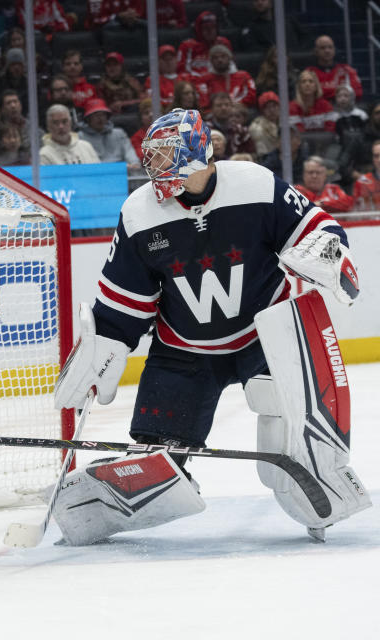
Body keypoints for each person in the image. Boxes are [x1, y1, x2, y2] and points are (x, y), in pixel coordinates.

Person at [52, 108, 366, 545]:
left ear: (199, 152)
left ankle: (314, 476)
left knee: (286, 420)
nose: (154, 168)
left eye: (165, 156)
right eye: (151, 156)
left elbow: (316, 226)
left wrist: (330, 251)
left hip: (264, 334)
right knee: (156, 455)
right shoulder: (139, 212)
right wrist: (104, 342)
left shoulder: (254, 184)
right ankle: (115, 502)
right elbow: (124, 300)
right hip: (184, 350)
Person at [77, 98, 139, 169]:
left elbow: (129, 151)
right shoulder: (80, 136)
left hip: (122, 171)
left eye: (103, 115)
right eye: (96, 115)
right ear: (88, 119)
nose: (100, 118)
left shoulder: (119, 133)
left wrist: (134, 163)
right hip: (95, 172)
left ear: (107, 116)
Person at [306, 35, 362, 101]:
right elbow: (307, 95)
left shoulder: (347, 70)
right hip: (318, 109)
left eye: (330, 47)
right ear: (316, 51)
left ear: (334, 50)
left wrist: (324, 94)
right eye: (322, 48)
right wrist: (339, 94)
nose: (327, 51)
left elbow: (358, 93)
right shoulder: (309, 72)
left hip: (342, 108)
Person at [178, 11, 232, 76]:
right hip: (195, 83)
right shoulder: (187, 46)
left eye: (213, 27)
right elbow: (182, 72)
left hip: (219, 81)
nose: (210, 31)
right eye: (206, 28)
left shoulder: (223, 43)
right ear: (199, 29)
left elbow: (230, 67)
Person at [249, 91, 281, 158]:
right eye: (268, 107)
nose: (272, 110)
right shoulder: (256, 127)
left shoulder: (285, 123)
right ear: (262, 110)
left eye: (274, 106)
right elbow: (262, 155)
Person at [353, 140, 380, 211]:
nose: (379, 160)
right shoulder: (363, 181)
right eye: (376, 156)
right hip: (372, 221)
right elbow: (357, 211)